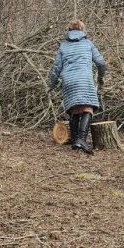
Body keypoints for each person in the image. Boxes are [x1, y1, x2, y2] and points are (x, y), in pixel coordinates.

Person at [48, 20, 107, 153]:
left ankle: (75, 141)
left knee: (74, 110)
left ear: (68, 31)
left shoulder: (63, 46)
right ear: (82, 30)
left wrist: (50, 85)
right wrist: (100, 77)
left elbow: (56, 69)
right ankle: (81, 140)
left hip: (68, 81)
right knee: (87, 109)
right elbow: (101, 63)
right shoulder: (88, 44)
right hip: (84, 79)